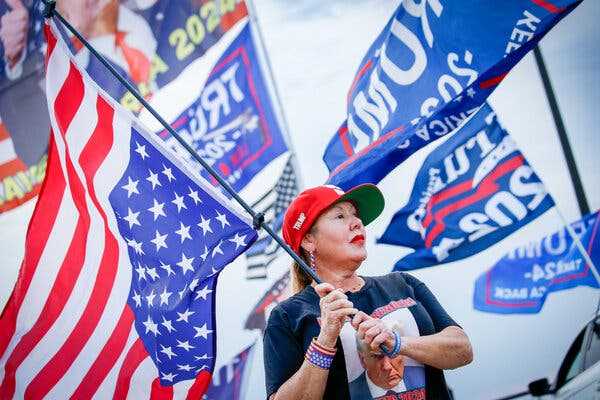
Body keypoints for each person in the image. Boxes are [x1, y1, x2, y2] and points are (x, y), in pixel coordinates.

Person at [263, 184, 473, 399]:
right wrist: (325, 339)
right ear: (308, 240)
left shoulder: (403, 283)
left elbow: (463, 350)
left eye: (355, 215)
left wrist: (397, 343)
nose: (357, 223)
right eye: (340, 216)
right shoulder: (287, 315)